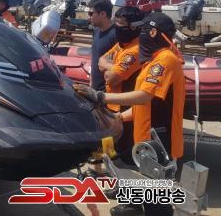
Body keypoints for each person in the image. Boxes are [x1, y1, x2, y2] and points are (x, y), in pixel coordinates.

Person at [74, 12, 185, 216]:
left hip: (161, 139)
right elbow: (147, 104)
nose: (140, 34)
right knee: (140, 181)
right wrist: (120, 117)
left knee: (156, 198)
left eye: (144, 30)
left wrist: (100, 96)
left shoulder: (165, 60)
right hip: (146, 137)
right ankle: (132, 206)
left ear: (153, 32)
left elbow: (144, 96)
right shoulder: (154, 60)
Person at [99, 6, 144, 164]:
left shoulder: (135, 49)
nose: (117, 27)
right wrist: (112, 66)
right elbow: (101, 60)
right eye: (116, 23)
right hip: (113, 102)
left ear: (134, 27)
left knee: (124, 148)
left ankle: (118, 165)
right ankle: (107, 162)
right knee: (107, 138)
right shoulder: (122, 44)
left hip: (125, 104)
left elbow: (112, 78)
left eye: (121, 25)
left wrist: (109, 68)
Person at [87, 0, 117, 91]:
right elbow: (95, 57)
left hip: (107, 92)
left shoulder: (116, 35)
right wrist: (91, 80)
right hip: (95, 88)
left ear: (103, 14)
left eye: (91, 13)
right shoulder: (96, 31)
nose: (88, 17)